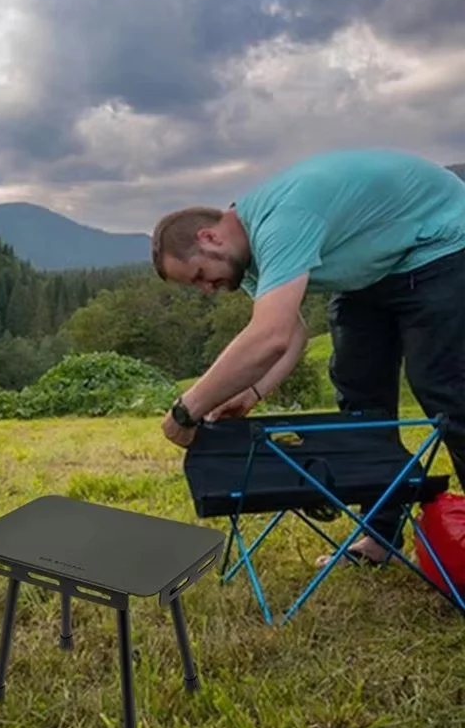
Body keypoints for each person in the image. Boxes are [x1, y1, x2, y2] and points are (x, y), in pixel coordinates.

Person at [151, 148, 465, 566]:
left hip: (440, 245)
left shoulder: (281, 221)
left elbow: (270, 336)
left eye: (199, 277)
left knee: (446, 393)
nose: (206, 290)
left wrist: (186, 410)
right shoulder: (249, 258)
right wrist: (255, 390)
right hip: (372, 270)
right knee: (360, 402)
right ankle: (380, 537)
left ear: (208, 238)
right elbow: (292, 331)